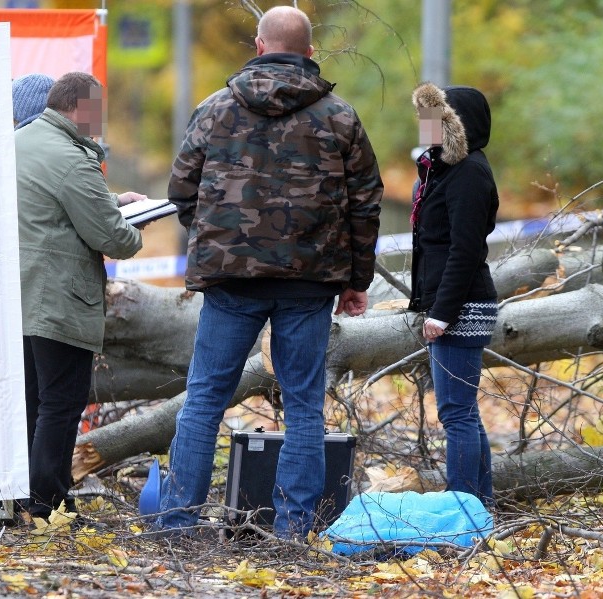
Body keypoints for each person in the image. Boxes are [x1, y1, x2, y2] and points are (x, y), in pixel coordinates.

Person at [156, 5, 382, 540]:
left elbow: (181, 190)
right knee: (304, 405)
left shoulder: (214, 110)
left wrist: (218, 241)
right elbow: (366, 204)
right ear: (309, 52)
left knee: (206, 395)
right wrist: (357, 279)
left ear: (258, 46)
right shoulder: (340, 116)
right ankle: (292, 527)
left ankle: (177, 521)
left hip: (232, 281)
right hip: (309, 281)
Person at [15, 71, 144, 523]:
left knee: (30, 401)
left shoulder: (21, 140)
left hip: (19, 296)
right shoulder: (73, 159)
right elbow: (114, 238)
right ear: (80, 108)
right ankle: (45, 505)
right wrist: (134, 226)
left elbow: (52, 204)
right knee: (61, 403)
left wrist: (111, 200)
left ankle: (21, 500)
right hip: (59, 298)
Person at [409, 82, 499, 508]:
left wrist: (442, 312)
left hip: (463, 307)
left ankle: (462, 507)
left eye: (434, 117)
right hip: (455, 304)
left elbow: (466, 250)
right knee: (463, 411)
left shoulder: (469, 174)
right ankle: (479, 505)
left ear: (454, 125)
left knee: (456, 414)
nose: (424, 125)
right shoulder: (443, 171)